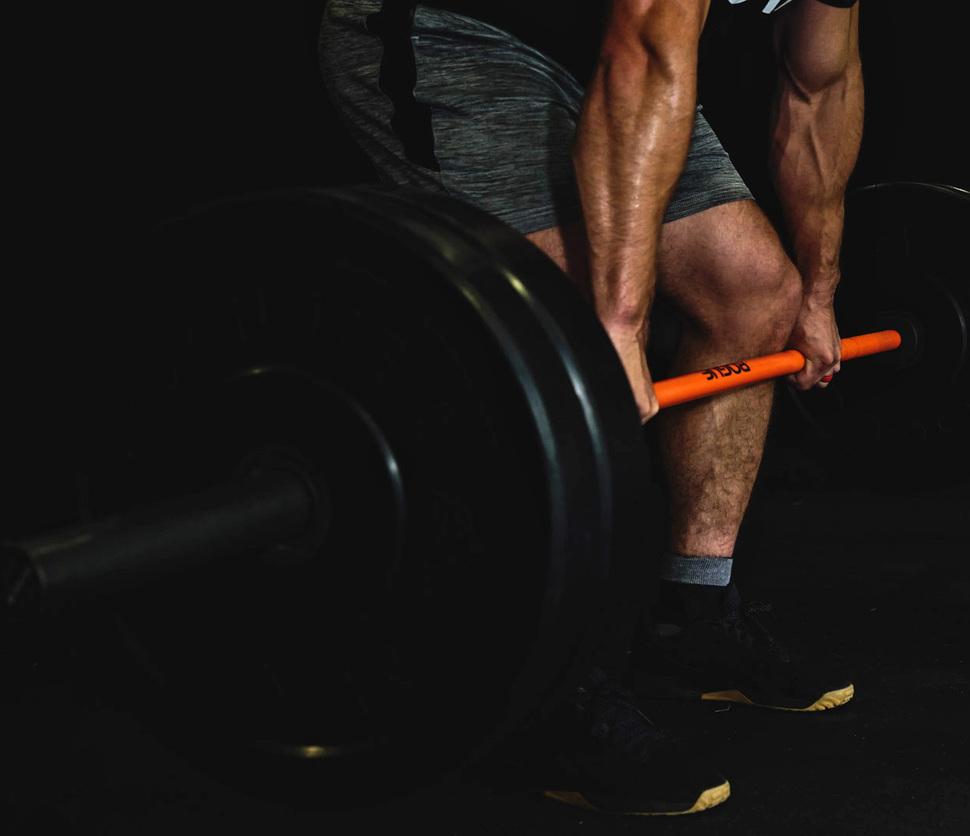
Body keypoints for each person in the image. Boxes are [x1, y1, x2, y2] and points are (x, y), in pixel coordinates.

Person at [318, 0, 863, 815]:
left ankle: (692, 616)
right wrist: (616, 325)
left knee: (754, 293)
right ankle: (536, 694)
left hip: (598, 45)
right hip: (444, 24)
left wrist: (818, 289)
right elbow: (643, 52)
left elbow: (819, 88)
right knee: (552, 329)